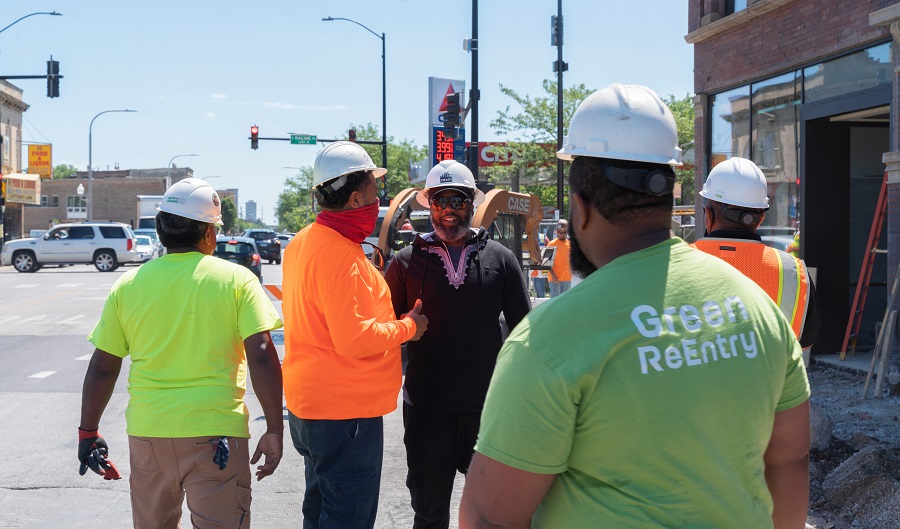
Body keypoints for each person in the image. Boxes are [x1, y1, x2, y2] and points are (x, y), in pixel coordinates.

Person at [459, 83, 810, 529]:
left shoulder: (549, 341)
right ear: (669, 201)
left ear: (580, 209)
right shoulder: (758, 310)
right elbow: (789, 461)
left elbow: (489, 517)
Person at [78, 177, 285, 528]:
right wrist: (275, 429)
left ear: (161, 229)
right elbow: (262, 354)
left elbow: (102, 367)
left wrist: (87, 433)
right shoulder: (236, 280)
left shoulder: (128, 285)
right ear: (208, 233)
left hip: (149, 435)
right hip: (217, 434)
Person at [281, 141, 429, 529]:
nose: (376, 198)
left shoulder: (302, 243)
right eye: (372, 190)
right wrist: (409, 327)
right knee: (348, 516)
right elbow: (355, 340)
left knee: (319, 508)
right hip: (345, 413)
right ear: (353, 197)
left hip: (308, 407)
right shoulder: (342, 257)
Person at [384, 160, 531, 529]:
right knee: (429, 514)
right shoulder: (405, 263)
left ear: (472, 204)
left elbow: (525, 333)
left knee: (494, 515)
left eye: (458, 201)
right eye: (439, 202)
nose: (449, 211)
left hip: (488, 410)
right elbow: (382, 330)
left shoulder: (501, 259)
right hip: (426, 410)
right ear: (428, 205)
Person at [694, 157, 820, 361]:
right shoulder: (793, 272)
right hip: (768, 390)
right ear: (761, 217)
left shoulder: (675, 264)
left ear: (708, 215)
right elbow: (806, 340)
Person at [547, 219, 571, 297]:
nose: (562, 234)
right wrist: (553, 276)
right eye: (560, 232)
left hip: (567, 278)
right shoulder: (551, 244)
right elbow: (547, 262)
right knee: (555, 303)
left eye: (564, 233)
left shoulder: (570, 244)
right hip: (555, 279)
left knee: (565, 302)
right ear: (557, 232)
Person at [530, 231, 551, 299]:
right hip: (527, 267)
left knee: (540, 290)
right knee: (525, 289)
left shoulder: (543, 238)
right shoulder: (525, 237)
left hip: (539, 268)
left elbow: (549, 250)